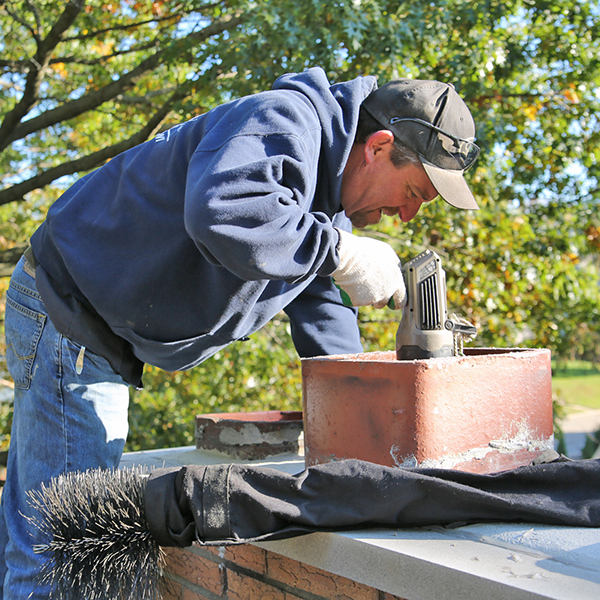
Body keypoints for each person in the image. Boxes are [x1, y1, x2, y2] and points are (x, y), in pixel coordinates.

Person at [0, 66, 479, 598]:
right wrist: (337, 252)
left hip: (87, 326)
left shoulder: (325, 202)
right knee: (65, 558)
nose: (408, 213)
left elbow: (322, 312)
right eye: (414, 191)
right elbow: (222, 211)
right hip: (70, 316)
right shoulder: (282, 121)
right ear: (379, 146)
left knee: (45, 536)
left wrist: (362, 424)